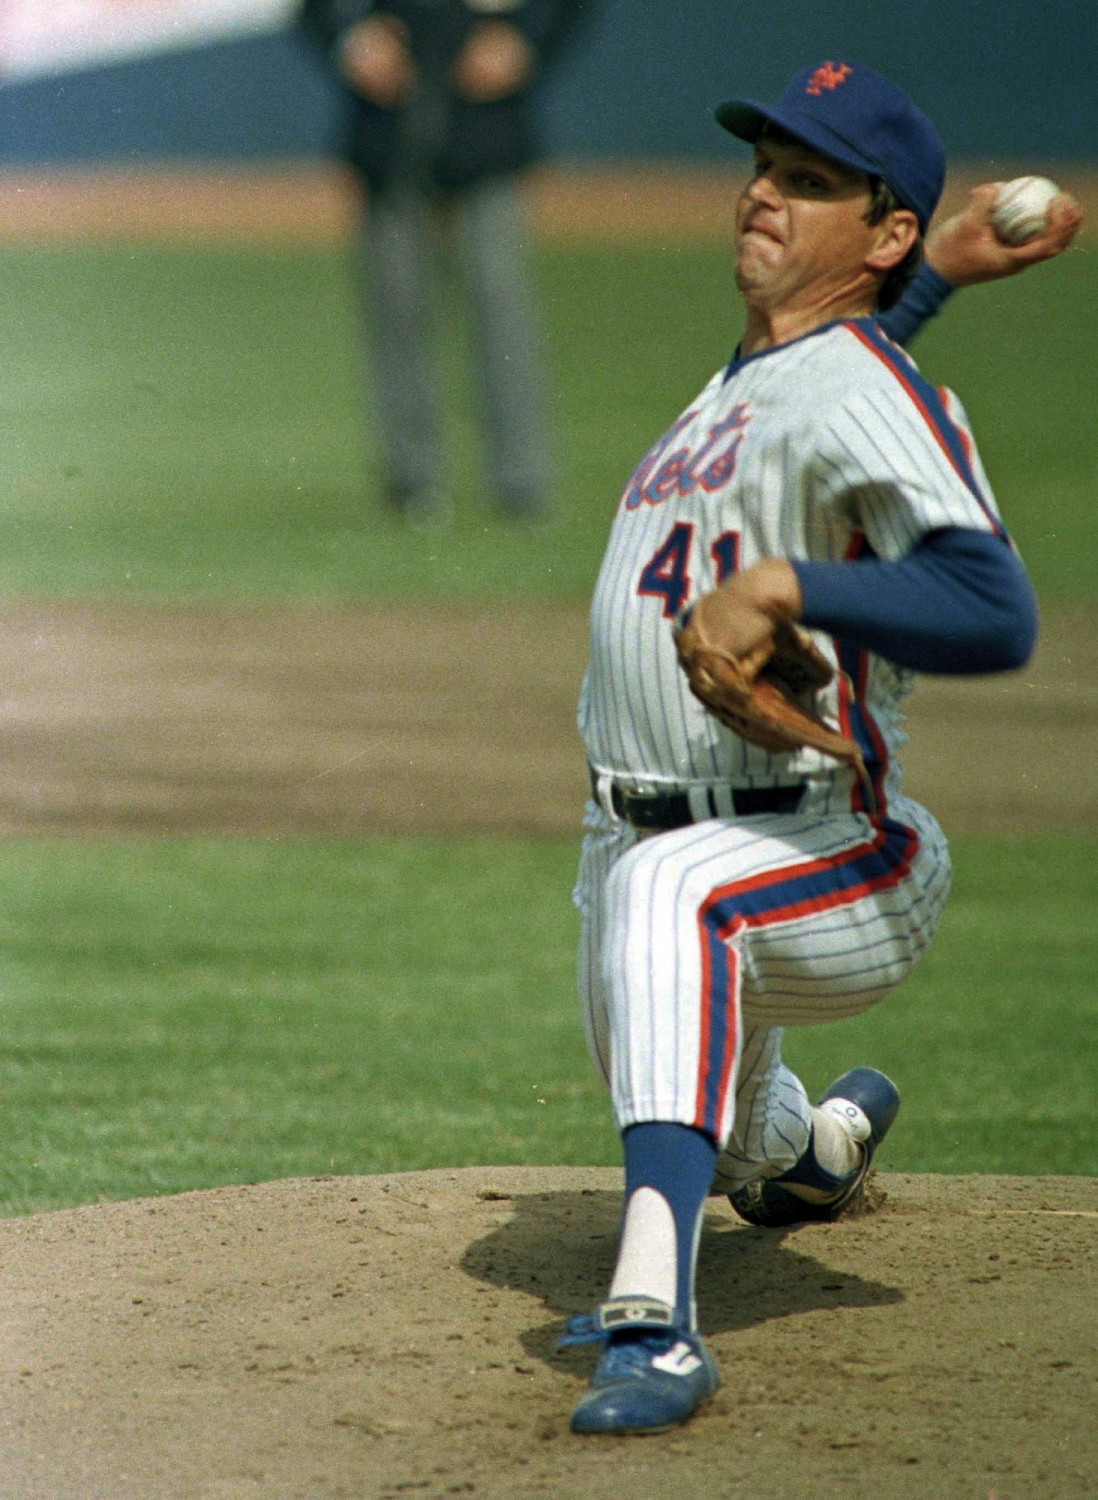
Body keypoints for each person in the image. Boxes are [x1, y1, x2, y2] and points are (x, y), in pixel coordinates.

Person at [563, 60, 1082, 1436]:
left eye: (807, 181)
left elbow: (994, 610)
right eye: (762, 168)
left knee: (674, 903)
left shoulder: (865, 385)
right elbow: (825, 372)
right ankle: (814, 1151)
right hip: (640, 834)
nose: (761, 194)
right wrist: (934, 274)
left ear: (881, 226)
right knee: (730, 1124)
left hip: (831, 844)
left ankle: (652, 1325)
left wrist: (790, 583)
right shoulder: (753, 379)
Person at [297, 0, 590, 523]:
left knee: (501, 308)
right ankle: (412, 483)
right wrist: (351, 37)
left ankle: (521, 482)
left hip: (483, 119)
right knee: (398, 310)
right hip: (390, 119)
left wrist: (526, 38)